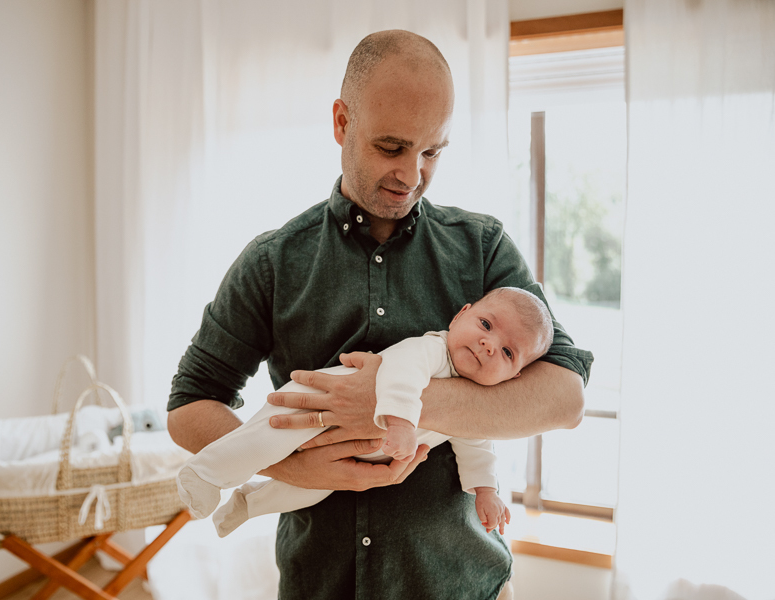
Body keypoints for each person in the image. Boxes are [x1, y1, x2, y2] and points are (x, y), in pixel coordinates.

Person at [168, 29, 593, 600]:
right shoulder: (273, 263)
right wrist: (293, 467)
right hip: (321, 585)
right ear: (342, 123)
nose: (412, 174)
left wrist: (386, 402)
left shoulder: (483, 248)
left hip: (463, 586)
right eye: (392, 147)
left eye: (432, 152)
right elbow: (188, 405)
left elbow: (566, 399)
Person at [176, 287, 553, 539]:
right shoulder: (432, 350)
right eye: (486, 325)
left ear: (515, 375)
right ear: (460, 316)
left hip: (343, 455)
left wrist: (486, 491)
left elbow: (477, 445)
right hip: (314, 401)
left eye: (507, 353)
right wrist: (402, 423)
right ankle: (205, 473)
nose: (489, 344)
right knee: (264, 442)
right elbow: (401, 377)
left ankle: (249, 503)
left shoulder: (475, 402)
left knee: (311, 490)